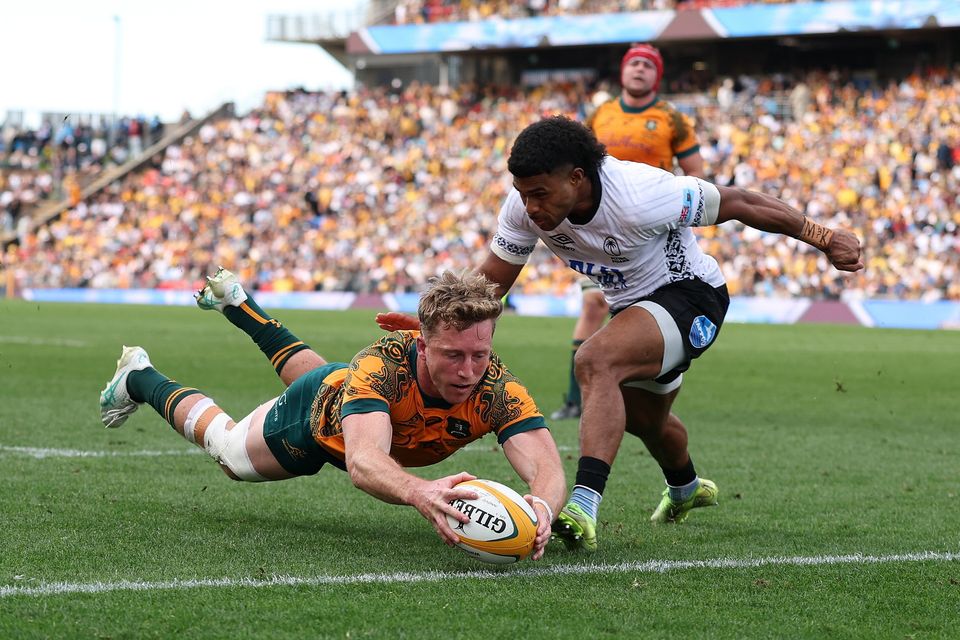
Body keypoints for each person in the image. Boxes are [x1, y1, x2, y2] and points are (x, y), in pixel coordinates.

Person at [378, 115, 862, 552]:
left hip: (692, 295)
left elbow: (737, 201)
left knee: (594, 360)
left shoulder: (639, 194)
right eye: (523, 194)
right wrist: (438, 324)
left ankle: (583, 508)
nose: (530, 206)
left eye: (540, 194)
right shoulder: (524, 208)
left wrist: (824, 238)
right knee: (645, 422)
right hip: (635, 310)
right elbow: (494, 279)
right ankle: (686, 487)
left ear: (577, 178)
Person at [99, 268, 566, 559]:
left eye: (479, 355)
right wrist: (421, 492)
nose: (468, 371)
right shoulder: (381, 367)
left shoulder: (497, 388)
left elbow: (546, 464)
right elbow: (364, 463)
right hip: (313, 425)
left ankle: (238, 304)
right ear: (422, 346)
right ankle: (139, 377)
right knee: (229, 457)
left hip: (347, 392)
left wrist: (541, 506)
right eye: (452, 356)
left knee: (330, 376)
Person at [551, 43, 705, 421]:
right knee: (593, 304)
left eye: (647, 65)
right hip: (600, 225)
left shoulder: (673, 118)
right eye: (633, 63)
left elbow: (696, 173)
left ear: (657, 74)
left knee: (648, 310)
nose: (639, 70)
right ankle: (575, 400)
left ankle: (647, 398)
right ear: (622, 72)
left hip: (652, 228)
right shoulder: (600, 113)